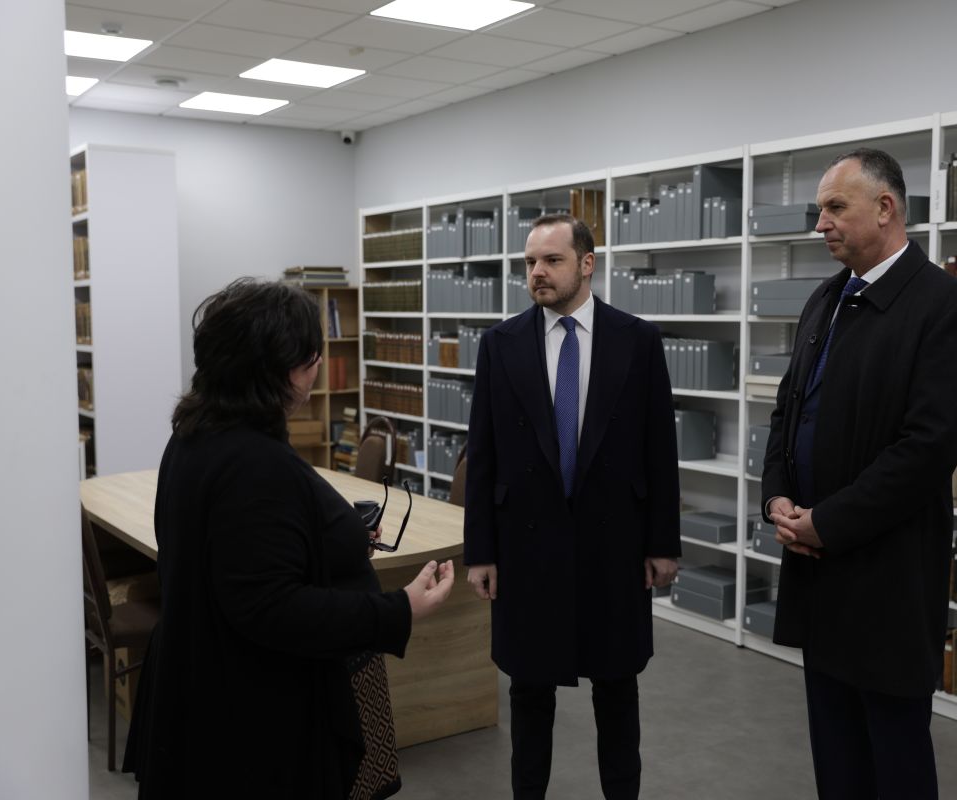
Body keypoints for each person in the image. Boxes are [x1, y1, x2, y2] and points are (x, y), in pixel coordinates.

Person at [123, 278, 454, 799]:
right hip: (254, 723)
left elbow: (243, 554)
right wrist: (401, 609)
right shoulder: (256, 464)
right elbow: (270, 607)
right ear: (280, 371)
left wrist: (328, 540)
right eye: (311, 358)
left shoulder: (194, 438)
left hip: (199, 693)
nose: (317, 367)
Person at [760, 149, 957, 798]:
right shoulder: (826, 299)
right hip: (817, 569)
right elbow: (787, 410)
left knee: (895, 754)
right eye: (820, 210)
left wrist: (827, 523)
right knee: (835, 754)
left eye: (835, 207)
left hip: (888, 575)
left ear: (885, 208)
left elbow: (927, 450)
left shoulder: (949, 308)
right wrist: (777, 496)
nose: (821, 224)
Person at [464, 214, 681, 799]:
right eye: (530, 262)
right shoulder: (500, 344)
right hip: (525, 547)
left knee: (617, 690)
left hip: (614, 547)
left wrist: (663, 542)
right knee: (528, 695)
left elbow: (660, 450)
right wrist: (480, 551)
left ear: (587, 264)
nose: (537, 272)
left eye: (551, 260)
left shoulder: (638, 340)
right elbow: (482, 454)